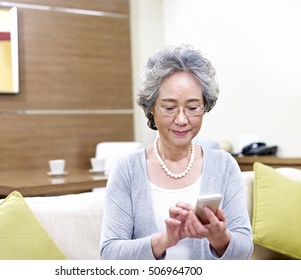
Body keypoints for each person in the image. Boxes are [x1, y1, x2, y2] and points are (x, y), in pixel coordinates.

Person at [100, 44, 253, 260]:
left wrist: (220, 238)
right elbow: (110, 254)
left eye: (192, 108)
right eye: (170, 108)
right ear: (152, 108)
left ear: (205, 107)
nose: (181, 120)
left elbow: (244, 249)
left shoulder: (224, 166)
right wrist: (164, 240)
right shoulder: (127, 170)